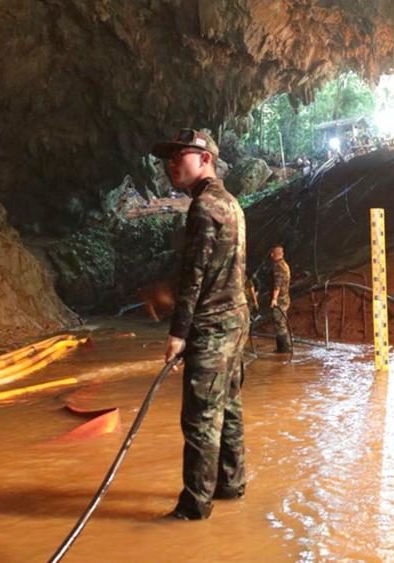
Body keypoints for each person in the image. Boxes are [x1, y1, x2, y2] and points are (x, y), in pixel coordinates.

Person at [153, 128, 249, 520]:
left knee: (200, 418)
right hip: (235, 320)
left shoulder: (203, 207)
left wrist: (178, 334)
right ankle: (231, 484)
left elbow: (194, 277)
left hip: (211, 325)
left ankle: (194, 507)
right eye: (170, 158)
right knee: (229, 404)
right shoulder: (231, 203)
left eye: (180, 156)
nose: (172, 163)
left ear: (205, 158)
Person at [269, 244, 292, 353]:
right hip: (285, 297)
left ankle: (284, 348)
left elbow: (277, 284)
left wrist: (274, 299)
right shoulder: (285, 265)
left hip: (280, 299)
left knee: (279, 323)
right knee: (281, 322)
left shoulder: (278, 266)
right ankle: (284, 347)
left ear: (273, 254)